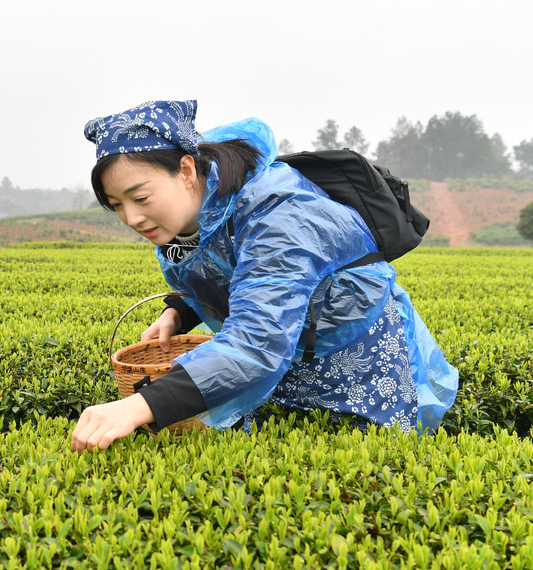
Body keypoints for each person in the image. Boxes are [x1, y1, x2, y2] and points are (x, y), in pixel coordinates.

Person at [71, 100, 458, 452]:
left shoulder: (277, 213)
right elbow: (222, 265)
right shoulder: (191, 208)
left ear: (186, 171)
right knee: (279, 460)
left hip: (353, 356)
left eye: (140, 198)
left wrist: (139, 405)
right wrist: (180, 310)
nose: (132, 218)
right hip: (286, 353)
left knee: (358, 462)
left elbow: (258, 342)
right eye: (116, 205)